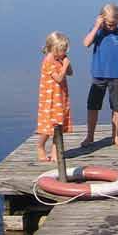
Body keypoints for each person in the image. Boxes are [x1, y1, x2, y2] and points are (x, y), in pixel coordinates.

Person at [80, 3, 118, 148]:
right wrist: (96, 27)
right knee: (93, 106)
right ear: (102, 20)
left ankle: (115, 135)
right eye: (108, 24)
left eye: (114, 24)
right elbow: (86, 43)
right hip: (98, 75)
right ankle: (90, 136)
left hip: (117, 75)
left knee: (117, 107)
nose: (111, 27)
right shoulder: (98, 32)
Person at [37, 31, 73, 162]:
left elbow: (70, 73)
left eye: (64, 50)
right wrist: (64, 67)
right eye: (61, 50)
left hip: (60, 97)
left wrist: (66, 63)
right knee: (48, 127)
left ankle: (55, 152)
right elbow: (58, 78)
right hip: (50, 98)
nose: (63, 53)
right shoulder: (48, 60)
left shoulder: (60, 58)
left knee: (59, 125)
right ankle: (40, 146)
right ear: (52, 48)